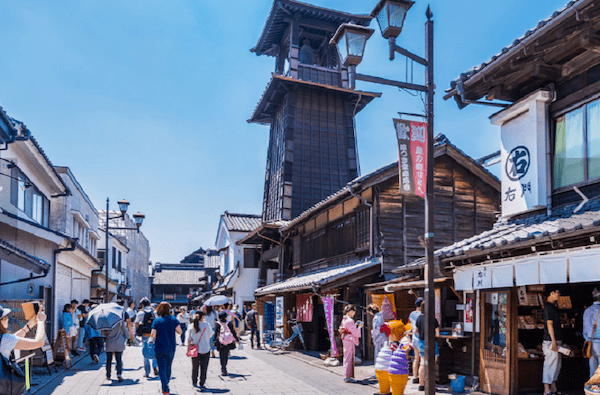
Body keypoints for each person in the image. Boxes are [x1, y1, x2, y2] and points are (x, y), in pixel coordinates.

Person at [151, 302, 182, 395]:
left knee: (162, 368)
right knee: (168, 368)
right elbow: (180, 332)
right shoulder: (173, 319)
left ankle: (165, 388)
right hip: (171, 347)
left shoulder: (157, 320)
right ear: (169, 309)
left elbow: (153, 335)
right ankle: (165, 386)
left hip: (159, 347)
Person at [415, 303, 440, 392]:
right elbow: (437, 334)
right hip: (432, 343)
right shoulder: (433, 319)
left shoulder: (419, 318)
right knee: (432, 364)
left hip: (422, 343)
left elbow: (415, 331)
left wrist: (422, 336)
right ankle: (431, 385)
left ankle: (421, 385)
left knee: (422, 364)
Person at [543, 287, 563, 395]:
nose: (558, 295)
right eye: (557, 292)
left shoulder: (552, 307)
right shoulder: (548, 307)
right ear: (551, 293)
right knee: (550, 364)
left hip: (555, 340)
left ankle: (553, 387)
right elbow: (549, 324)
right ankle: (547, 390)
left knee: (556, 365)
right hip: (550, 341)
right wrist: (553, 340)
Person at [187, 312, 213, 391]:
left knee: (194, 367)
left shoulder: (191, 326)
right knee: (204, 367)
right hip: (205, 349)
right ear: (202, 317)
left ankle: (194, 381)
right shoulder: (206, 325)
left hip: (195, 350)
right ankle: (202, 383)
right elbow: (210, 335)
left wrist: (188, 349)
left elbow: (188, 339)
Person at [102, 314, 130, 382]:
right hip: (118, 342)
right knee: (118, 359)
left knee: (109, 360)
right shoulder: (120, 321)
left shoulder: (106, 322)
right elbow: (125, 330)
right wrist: (128, 337)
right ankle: (119, 374)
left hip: (109, 343)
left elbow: (102, 333)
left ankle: (108, 375)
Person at [339, 304, 363, 383]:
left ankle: (347, 375)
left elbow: (350, 329)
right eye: (354, 312)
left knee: (347, 357)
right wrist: (359, 327)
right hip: (349, 339)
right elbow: (355, 333)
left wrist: (355, 325)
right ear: (351, 311)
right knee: (349, 358)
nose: (354, 314)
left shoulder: (344, 319)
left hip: (346, 338)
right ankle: (347, 377)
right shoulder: (350, 320)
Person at [136, 297, 158, 377]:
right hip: (154, 334)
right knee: (155, 349)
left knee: (145, 352)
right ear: (149, 304)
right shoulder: (155, 312)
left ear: (142, 305)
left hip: (145, 334)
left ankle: (147, 372)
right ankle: (155, 366)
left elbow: (137, 323)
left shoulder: (140, 313)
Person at [213, 311, 240, 376]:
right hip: (228, 341)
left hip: (220, 341)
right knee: (226, 355)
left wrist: (214, 341)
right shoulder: (229, 323)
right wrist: (237, 340)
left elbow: (216, 333)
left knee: (221, 355)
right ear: (225, 317)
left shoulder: (217, 324)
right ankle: (224, 367)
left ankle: (223, 368)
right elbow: (233, 332)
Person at [584, 287, 600, 378]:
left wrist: (588, 339)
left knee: (593, 371)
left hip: (590, 343)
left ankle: (592, 391)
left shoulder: (587, 311)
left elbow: (584, 330)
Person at [368, 303, 387, 374]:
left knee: (378, 355)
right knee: (384, 354)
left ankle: (378, 373)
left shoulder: (376, 318)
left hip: (379, 337)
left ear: (371, 311)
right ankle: (384, 371)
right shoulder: (380, 315)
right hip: (384, 336)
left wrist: (373, 335)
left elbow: (376, 329)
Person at [409, 297, 423, 383]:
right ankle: (422, 379)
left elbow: (412, 325)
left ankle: (415, 377)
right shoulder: (422, 314)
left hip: (414, 338)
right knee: (422, 359)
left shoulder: (412, 314)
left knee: (416, 358)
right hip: (421, 338)